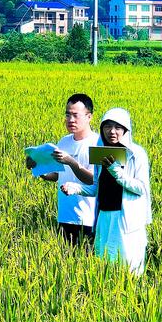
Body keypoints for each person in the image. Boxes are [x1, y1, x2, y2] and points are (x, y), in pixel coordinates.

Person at [61, 107, 151, 275]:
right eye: (107, 126)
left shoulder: (136, 154)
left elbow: (141, 188)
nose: (112, 131)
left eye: (118, 127)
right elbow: (97, 188)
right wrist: (75, 188)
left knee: (128, 264)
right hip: (104, 217)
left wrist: (117, 172)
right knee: (105, 265)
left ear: (126, 129)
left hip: (125, 219)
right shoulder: (101, 152)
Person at [26, 94, 99, 246]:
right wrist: (38, 168)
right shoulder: (64, 142)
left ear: (89, 117)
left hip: (88, 219)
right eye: (67, 115)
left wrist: (71, 161)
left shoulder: (97, 143)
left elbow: (94, 180)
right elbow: (57, 175)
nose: (70, 120)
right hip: (65, 216)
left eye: (75, 115)